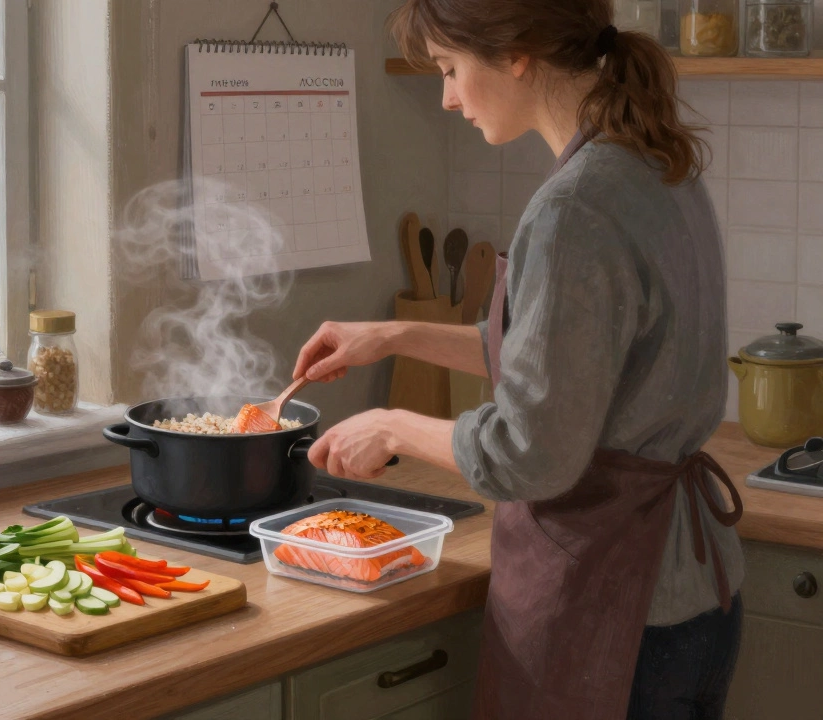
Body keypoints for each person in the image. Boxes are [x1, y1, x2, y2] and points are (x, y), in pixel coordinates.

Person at [292, 1, 744, 718]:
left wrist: (391, 427)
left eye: (449, 69)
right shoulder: (656, 165)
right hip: (692, 591)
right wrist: (390, 336)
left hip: (616, 608)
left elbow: (530, 453)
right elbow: (565, 364)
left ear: (514, 52)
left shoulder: (574, 210)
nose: (444, 96)